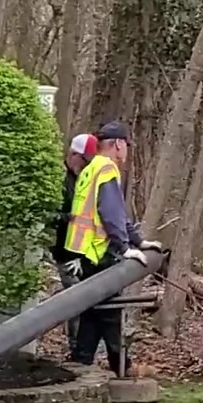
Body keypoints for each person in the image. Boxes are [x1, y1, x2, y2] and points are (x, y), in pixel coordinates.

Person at [58, 119, 161, 375]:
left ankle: (81, 363)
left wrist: (139, 241)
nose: (126, 151)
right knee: (109, 310)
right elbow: (110, 212)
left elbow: (116, 213)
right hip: (98, 253)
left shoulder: (92, 168)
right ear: (117, 144)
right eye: (126, 145)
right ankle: (123, 369)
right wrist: (125, 248)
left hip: (82, 254)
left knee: (95, 311)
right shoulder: (107, 169)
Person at [52, 133, 98, 350]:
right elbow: (46, 214)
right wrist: (68, 218)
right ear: (73, 155)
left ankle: (82, 347)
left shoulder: (83, 179)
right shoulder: (58, 179)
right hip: (64, 251)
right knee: (76, 300)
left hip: (82, 251)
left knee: (86, 299)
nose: (86, 164)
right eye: (84, 159)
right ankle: (76, 347)